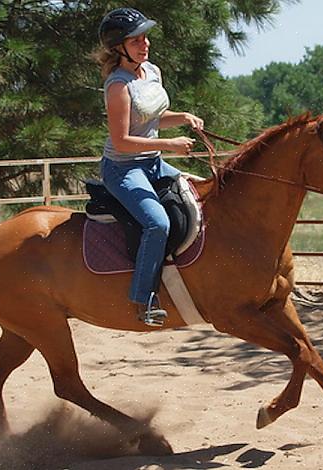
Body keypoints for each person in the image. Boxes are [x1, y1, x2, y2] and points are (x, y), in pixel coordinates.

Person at [94, 7, 204, 327]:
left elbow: (152, 119)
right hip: (123, 169)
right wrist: (170, 145)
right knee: (157, 223)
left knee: (202, 191)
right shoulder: (117, 86)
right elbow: (124, 140)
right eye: (136, 40)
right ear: (119, 47)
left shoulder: (151, 72)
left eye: (145, 38)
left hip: (153, 163)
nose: (145, 44)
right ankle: (145, 299)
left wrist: (182, 117)